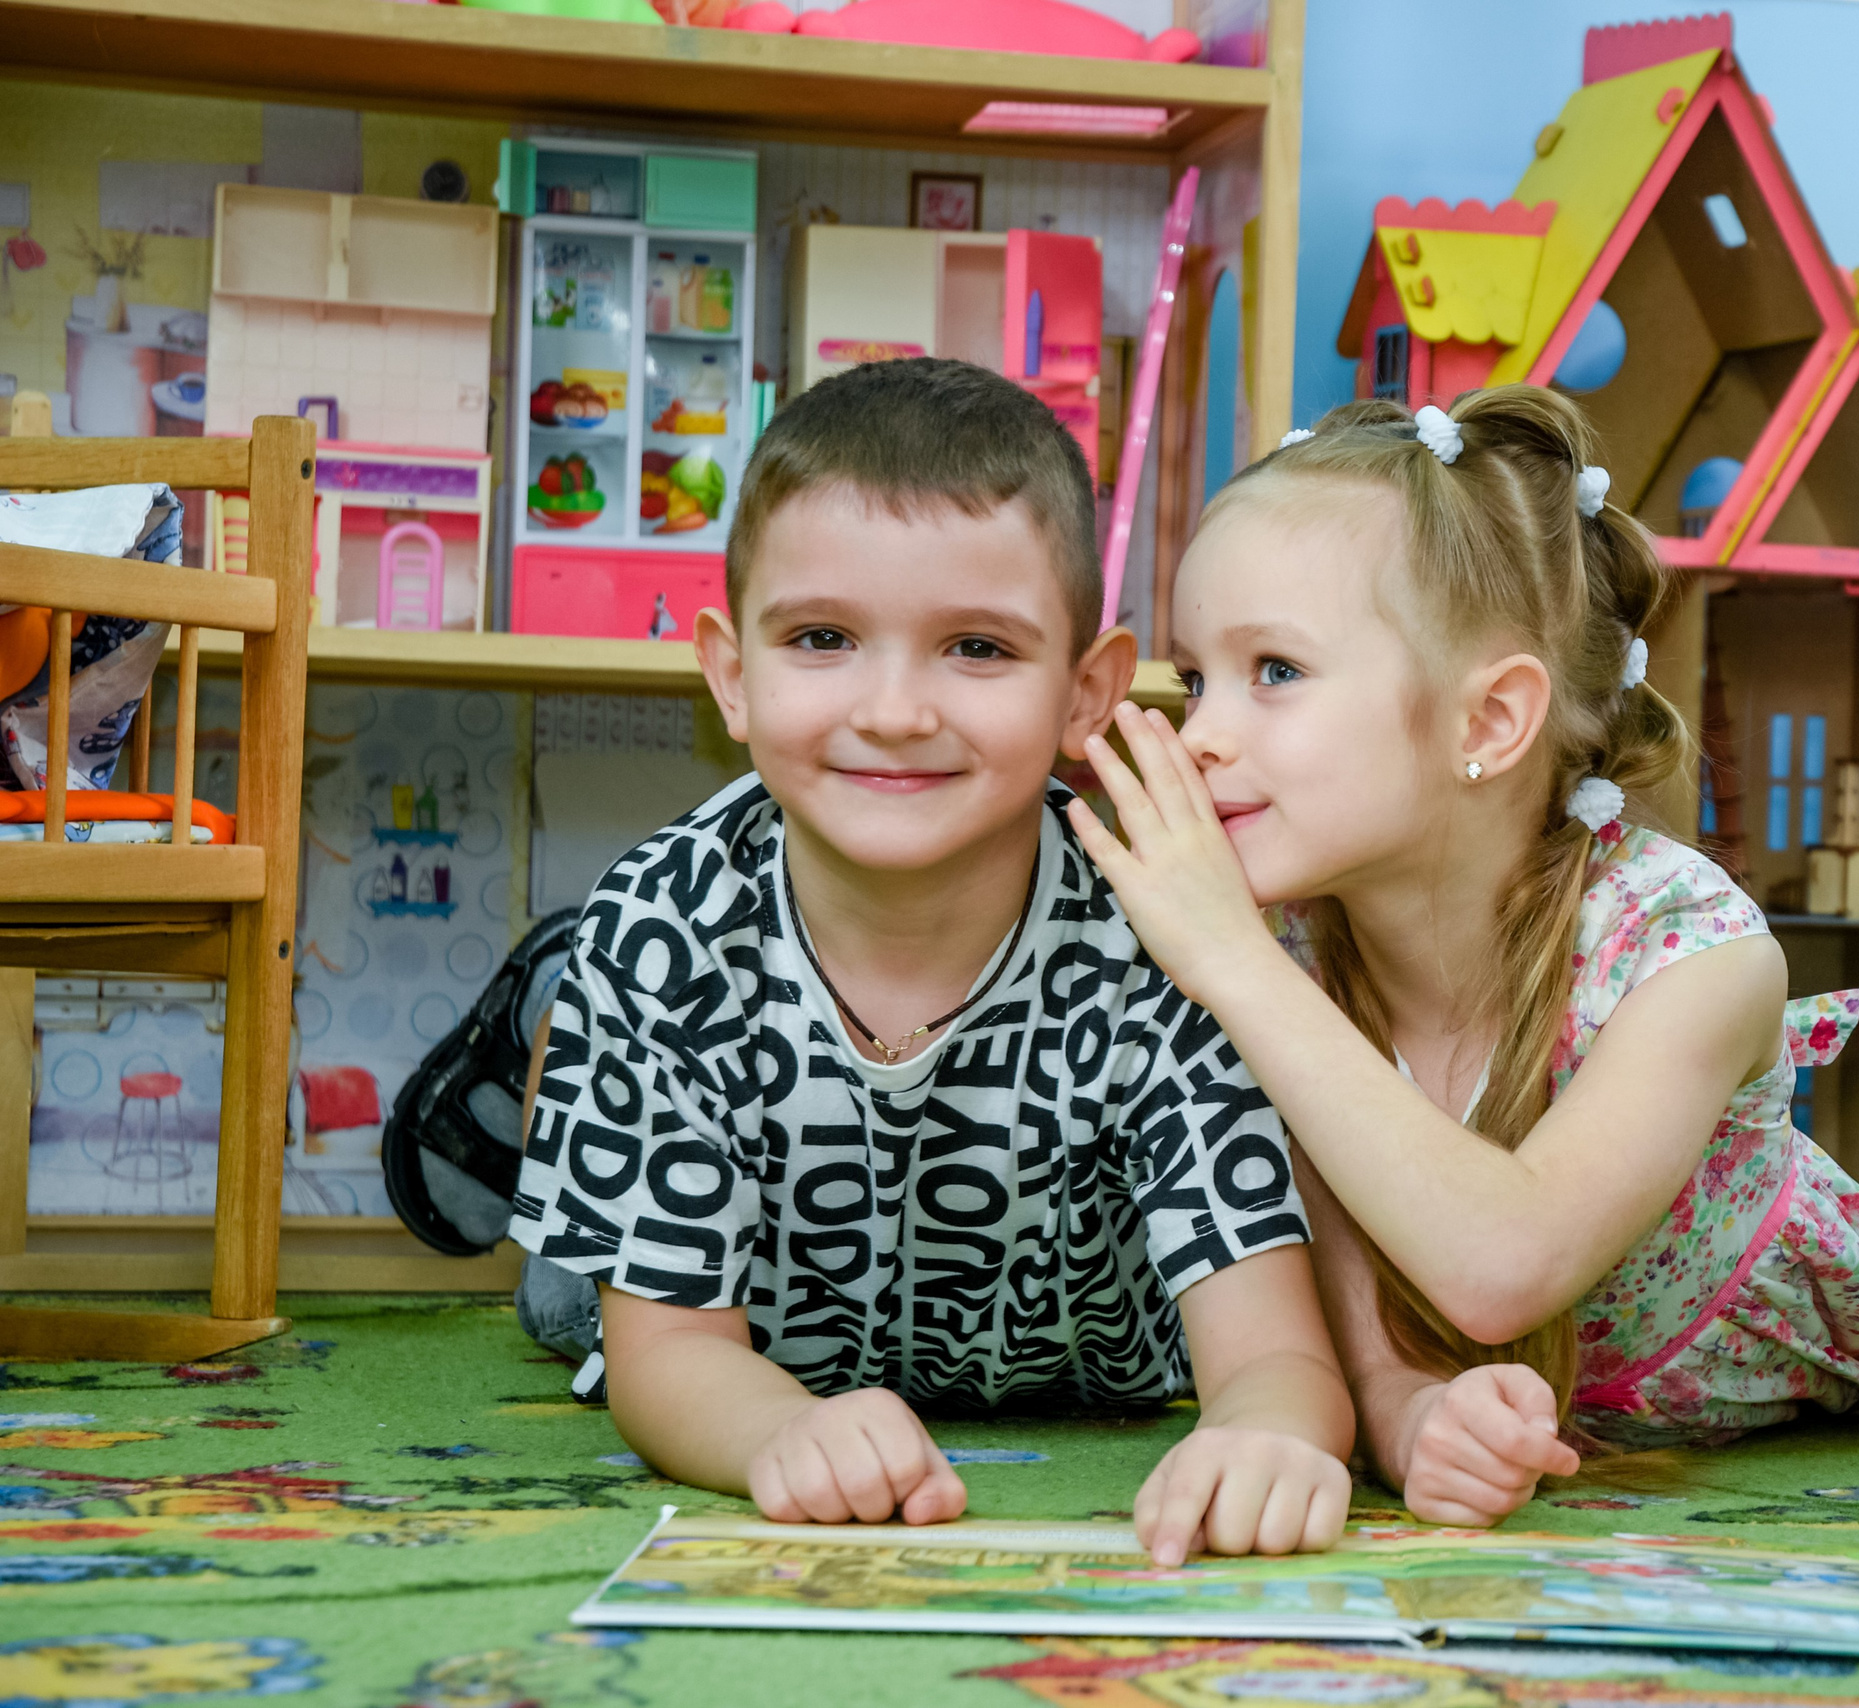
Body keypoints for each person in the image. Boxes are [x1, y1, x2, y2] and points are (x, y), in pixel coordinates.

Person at [1066, 388, 1859, 1528]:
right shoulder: (1291, 953)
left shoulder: (1691, 950)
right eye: (1196, 675)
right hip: (1573, 1419)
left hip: (1838, 1381)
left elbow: (1503, 1261)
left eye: (1274, 670)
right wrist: (1418, 1419)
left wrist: (1232, 965)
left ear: (1487, 723)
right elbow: (1363, 1326)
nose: (1201, 732)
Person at [507, 359, 1353, 1564]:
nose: (895, 709)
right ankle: (555, 1021)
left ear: (1087, 692)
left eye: (975, 648)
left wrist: (1269, 1432)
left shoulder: (1171, 932)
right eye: (822, 638)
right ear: (732, 676)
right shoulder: (663, 925)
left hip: (1086, 1357)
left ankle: (564, 1034)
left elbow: (1276, 1352)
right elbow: (672, 1354)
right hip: (750, 1314)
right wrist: (775, 1434)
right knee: (566, 1293)